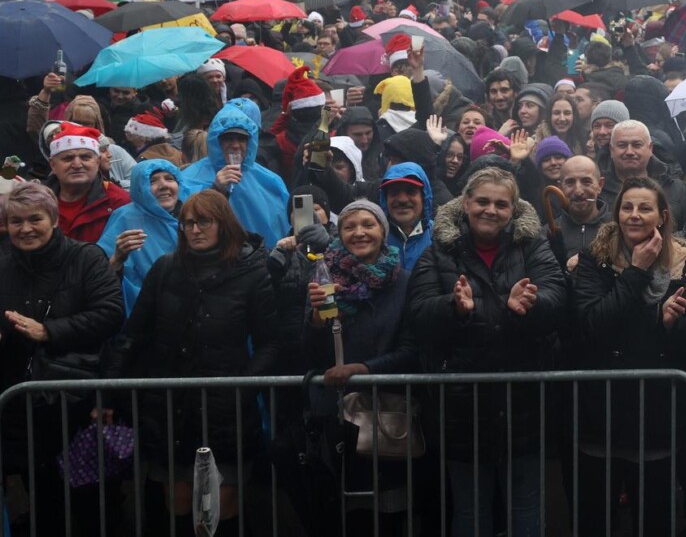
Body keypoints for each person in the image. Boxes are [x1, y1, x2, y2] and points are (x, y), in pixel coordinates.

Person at [102, 189, 279, 535]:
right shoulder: (166, 268)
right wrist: (107, 392)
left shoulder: (251, 272)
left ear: (223, 224)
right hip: (171, 409)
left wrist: (241, 386)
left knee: (222, 507)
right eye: (186, 223)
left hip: (226, 409)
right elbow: (133, 334)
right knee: (178, 504)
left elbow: (270, 342)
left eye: (203, 221)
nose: (194, 229)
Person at [406, 167, 565, 537]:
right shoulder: (438, 251)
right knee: (470, 511)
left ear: (513, 209)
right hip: (464, 408)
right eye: (482, 201)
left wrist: (526, 307)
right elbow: (417, 315)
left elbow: (558, 300)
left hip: (524, 404)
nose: (490, 210)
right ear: (466, 204)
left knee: (526, 508)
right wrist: (454, 308)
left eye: (500, 203)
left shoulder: (533, 246)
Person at [571, 176, 686, 536]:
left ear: (662, 216)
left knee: (654, 517)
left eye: (644, 208)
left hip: (655, 412)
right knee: (595, 518)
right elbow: (594, 323)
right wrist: (636, 271)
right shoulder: (594, 259)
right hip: (601, 409)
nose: (634, 215)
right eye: (627, 207)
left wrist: (669, 325)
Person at [0, 182, 124, 535]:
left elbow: (111, 313)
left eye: (34, 219)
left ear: (53, 219)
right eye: (16, 221)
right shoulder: (2, 261)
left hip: (76, 399)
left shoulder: (85, 257)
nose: (25, 229)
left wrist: (49, 331)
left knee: (90, 498)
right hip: (19, 402)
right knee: (42, 497)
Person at [303, 199, 419, 535]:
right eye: (350, 226)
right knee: (342, 514)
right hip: (336, 418)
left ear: (383, 232)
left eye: (368, 224)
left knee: (390, 512)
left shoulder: (405, 282)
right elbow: (310, 355)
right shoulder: (323, 276)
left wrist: (364, 368)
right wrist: (315, 319)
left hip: (386, 417)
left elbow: (412, 349)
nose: (359, 233)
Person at [180, 103, 289, 250]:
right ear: (216, 142)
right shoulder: (189, 178)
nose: (235, 145)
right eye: (228, 139)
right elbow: (185, 222)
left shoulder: (269, 180)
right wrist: (216, 189)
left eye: (242, 139)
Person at [96, 160, 191, 313]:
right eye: (152, 181)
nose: (163, 185)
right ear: (140, 188)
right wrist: (118, 259)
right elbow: (103, 272)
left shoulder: (192, 214)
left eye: (169, 178)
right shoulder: (126, 218)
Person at [44, 122, 131, 244]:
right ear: (53, 165)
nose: (77, 165)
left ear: (97, 161)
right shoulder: (35, 202)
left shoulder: (120, 203)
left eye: (85, 157)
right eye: (68, 158)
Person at [599, 120, 686, 227]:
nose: (629, 152)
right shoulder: (598, 189)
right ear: (611, 150)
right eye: (622, 145)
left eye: (637, 145)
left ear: (650, 148)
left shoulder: (675, 188)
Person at [547, 155, 608, 270]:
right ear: (560, 187)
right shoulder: (548, 234)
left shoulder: (618, 230)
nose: (578, 191)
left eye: (586, 182)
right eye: (570, 183)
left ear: (600, 185)